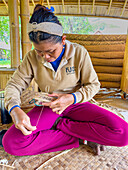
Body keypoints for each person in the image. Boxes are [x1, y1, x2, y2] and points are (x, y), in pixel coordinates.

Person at [1, 4, 128, 156]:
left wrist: (73, 97)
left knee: (123, 133)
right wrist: (14, 109)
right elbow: (14, 85)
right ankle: (81, 136)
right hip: (48, 107)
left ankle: (62, 126)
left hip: (76, 104)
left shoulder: (79, 52)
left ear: (63, 40)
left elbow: (93, 85)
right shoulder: (31, 58)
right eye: (39, 52)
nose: (45, 57)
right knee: (11, 143)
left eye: (50, 51)